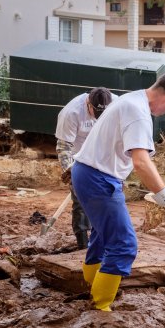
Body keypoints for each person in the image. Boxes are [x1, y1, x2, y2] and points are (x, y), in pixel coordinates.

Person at [71, 71, 165, 311]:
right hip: (98, 178)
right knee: (124, 244)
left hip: (87, 172)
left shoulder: (130, 99)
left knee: (102, 237)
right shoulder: (138, 114)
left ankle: (93, 287)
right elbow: (141, 163)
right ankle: (100, 307)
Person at [55, 87, 114, 249]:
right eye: (95, 112)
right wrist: (70, 171)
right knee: (80, 201)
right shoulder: (71, 113)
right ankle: (82, 244)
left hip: (103, 157)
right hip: (78, 159)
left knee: (105, 199)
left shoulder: (117, 103)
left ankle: (101, 240)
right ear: (88, 104)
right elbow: (63, 147)